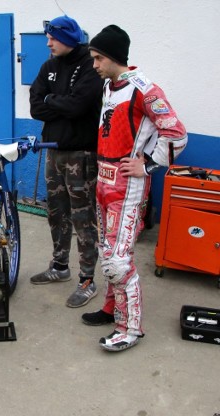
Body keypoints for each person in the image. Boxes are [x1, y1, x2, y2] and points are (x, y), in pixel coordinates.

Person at [83, 25, 187, 351]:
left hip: (128, 187)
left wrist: (149, 164)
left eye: (99, 58)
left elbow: (177, 134)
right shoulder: (109, 86)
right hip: (103, 181)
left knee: (118, 261)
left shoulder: (146, 89)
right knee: (107, 253)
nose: (95, 64)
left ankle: (131, 329)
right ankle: (112, 308)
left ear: (115, 56)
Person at [28, 16, 101, 308]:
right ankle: (59, 267)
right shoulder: (48, 66)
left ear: (69, 37)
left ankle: (87, 279)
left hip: (82, 155)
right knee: (56, 214)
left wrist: (51, 101)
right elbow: (35, 105)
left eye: (53, 38)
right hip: (53, 153)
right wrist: (58, 103)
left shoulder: (89, 66)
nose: (48, 43)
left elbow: (79, 105)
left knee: (84, 218)